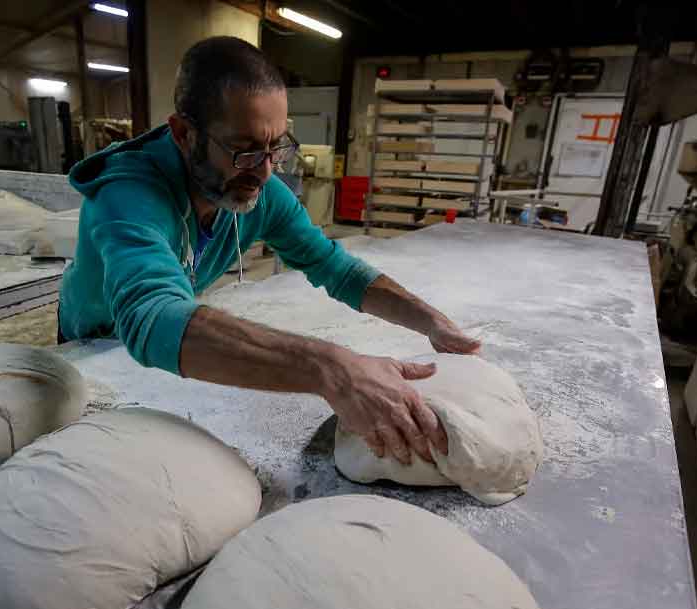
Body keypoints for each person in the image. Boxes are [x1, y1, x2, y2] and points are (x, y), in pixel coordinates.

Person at [59, 36, 481, 465]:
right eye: (243, 150)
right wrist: (332, 369)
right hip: (90, 353)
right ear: (184, 134)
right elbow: (150, 319)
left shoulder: (258, 189)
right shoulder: (128, 193)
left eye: (276, 146)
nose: (264, 171)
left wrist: (431, 322)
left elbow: (335, 268)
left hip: (169, 346)